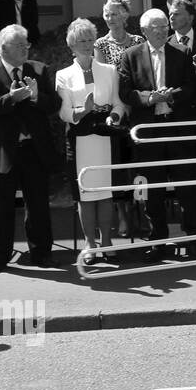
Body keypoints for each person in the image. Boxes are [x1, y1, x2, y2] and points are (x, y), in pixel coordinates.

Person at [0, 25, 61, 275]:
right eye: (20, 45)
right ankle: (0, 257)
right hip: (1, 150)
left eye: (27, 44)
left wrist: (35, 96)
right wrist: (11, 98)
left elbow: (54, 105)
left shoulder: (39, 69)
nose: (25, 49)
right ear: (3, 48)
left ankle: (41, 253)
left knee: (38, 204)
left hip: (34, 149)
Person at [118, 9, 196, 262]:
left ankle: (193, 238)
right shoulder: (131, 55)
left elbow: (192, 87)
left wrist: (170, 96)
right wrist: (150, 98)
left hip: (176, 128)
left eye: (165, 26)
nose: (162, 30)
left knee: (187, 186)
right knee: (152, 189)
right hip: (148, 132)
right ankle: (157, 241)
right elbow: (126, 92)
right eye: (156, 27)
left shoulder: (182, 52)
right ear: (144, 30)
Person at [56, 19, 123, 266]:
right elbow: (64, 113)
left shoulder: (109, 70)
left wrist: (114, 116)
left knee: (105, 194)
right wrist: (83, 111)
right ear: (71, 45)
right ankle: (90, 244)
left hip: (104, 138)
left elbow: (118, 103)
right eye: (81, 41)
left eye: (89, 40)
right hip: (80, 140)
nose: (86, 44)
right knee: (85, 194)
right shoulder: (63, 75)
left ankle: (106, 240)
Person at [94, 0, 146, 239]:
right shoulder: (100, 44)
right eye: (107, 14)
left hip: (137, 108)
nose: (110, 18)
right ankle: (124, 215)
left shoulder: (138, 40)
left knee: (140, 164)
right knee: (118, 165)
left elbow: (143, 74)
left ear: (125, 16)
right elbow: (103, 80)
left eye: (115, 14)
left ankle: (143, 211)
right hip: (115, 111)